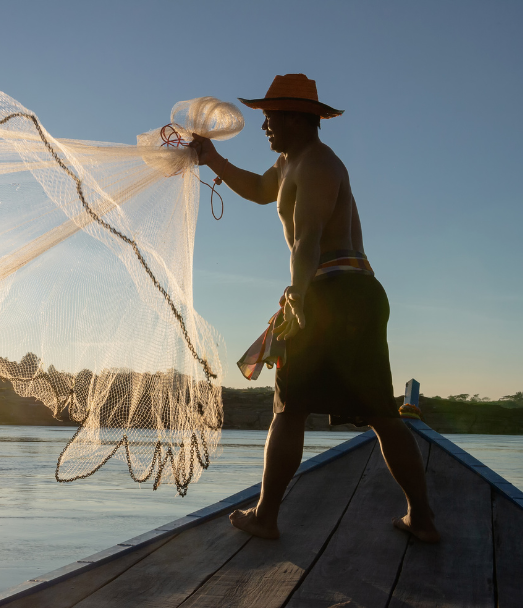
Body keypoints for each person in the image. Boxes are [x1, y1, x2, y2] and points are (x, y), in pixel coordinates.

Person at [190, 74, 440, 543]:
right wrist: (211, 157)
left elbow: (306, 239)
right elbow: (259, 190)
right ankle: (422, 519)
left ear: (294, 118)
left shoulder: (321, 164)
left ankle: (266, 518)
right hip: (333, 293)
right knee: (365, 413)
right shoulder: (289, 164)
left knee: (293, 408)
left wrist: (298, 295)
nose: (263, 126)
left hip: (337, 293)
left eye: (269, 118)